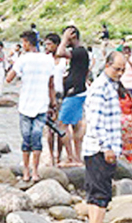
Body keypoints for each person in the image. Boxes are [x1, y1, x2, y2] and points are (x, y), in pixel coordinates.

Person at [5, 30, 55, 182]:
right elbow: (51, 84)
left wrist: (13, 59)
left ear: (26, 43)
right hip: (42, 103)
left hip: (26, 105)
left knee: (26, 140)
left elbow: (8, 79)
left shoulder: (23, 59)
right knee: (37, 139)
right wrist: (53, 103)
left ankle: (26, 171)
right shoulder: (48, 59)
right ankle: (35, 172)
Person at [82, 51, 125, 223]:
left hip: (99, 148)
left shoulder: (110, 85)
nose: (120, 73)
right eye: (117, 69)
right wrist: (106, 147)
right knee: (100, 194)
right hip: (99, 149)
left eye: (123, 70)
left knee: (96, 193)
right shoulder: (101, 87)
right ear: (107, 65)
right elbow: (95, 121)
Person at [56, 25, 89, 166]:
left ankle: (72, 157)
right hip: (76, 91)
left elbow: (59, 52)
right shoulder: (80, 52)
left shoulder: (80, 51)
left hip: (74, 93)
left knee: (62, 125)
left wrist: (64, 39)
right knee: (75, 125)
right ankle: (76, 157)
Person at [44, 33, 67, 166]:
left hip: (61, 95)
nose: (47, 46)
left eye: (49, 44)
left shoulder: (64, 61)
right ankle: (51, 156)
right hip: (47, 96)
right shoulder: (45, 59)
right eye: (46, 44)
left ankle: (59, 155)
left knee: (60, 128)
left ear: (57, 45)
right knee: (50, 129)